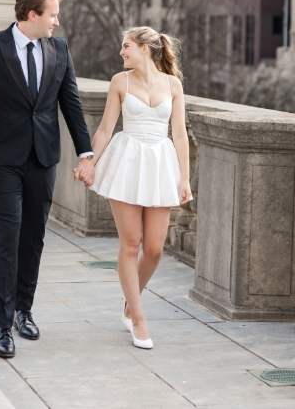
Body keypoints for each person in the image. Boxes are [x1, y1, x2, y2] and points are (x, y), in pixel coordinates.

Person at [0, 0, 95, 359]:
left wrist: (86, 153)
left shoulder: (59, 48)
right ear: (32, 14)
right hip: (1, 161)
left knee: (33, 237)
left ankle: (24, 310)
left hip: (43, 159)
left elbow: (71, 103)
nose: (57, 21)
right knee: (6, 237)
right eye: (53, 14)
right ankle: (1, 326)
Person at [82, 26, 193, 350]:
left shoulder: (173, 85)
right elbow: (105, 129)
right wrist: (89, 162)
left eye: (126, 46)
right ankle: (139, 318)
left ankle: (131, 302)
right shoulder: (120, 82)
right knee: (131, 244)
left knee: (155, 248)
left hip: (160, 162)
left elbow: (181, 135)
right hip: (127, 161)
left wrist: (184, 178)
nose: (122, 52)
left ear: (145, 47)